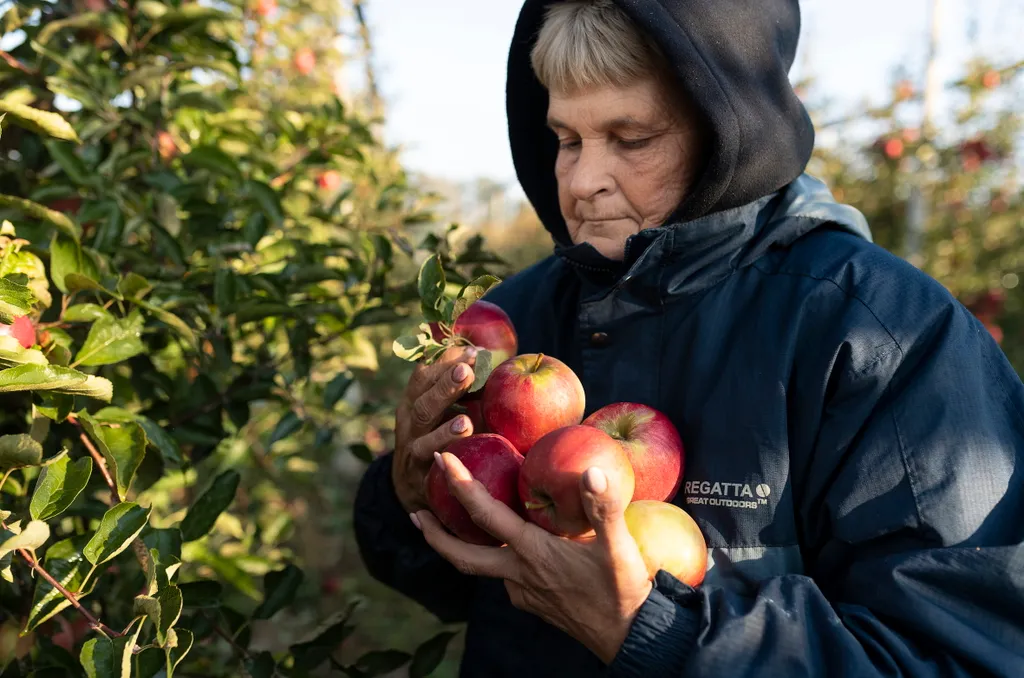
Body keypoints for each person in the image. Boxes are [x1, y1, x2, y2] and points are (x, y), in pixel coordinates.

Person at [354, 0, 1024, 675]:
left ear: (726, 133)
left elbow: (961, 653)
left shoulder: (878, 336)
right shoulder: (516, 323)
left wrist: (657, 636)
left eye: (632, 138)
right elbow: (466, 591)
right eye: (566, 139)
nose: (584, 181)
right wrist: (411, 496)